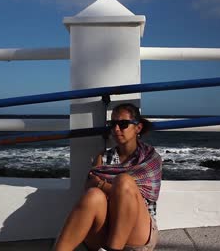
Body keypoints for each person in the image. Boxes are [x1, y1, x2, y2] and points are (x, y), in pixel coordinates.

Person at [55, 103, 162, 251]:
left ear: (138, 127)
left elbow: (132, 199)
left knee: (124, 181)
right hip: (106, 229)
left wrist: (103, 185)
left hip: (138, 232)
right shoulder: (103, 157)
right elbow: (89, 188)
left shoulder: (150, 158)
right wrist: (104, 188)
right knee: (93, 195)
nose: (116, 129)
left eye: (123, 124)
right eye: (113, 124)